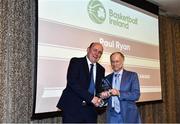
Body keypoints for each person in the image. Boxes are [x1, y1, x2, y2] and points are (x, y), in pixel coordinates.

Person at [56, 42, 105, 123]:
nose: (97, 54)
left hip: (91, 111)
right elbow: (72, 83)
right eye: (95, 50)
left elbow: (99, 89)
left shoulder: (101, 69)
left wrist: (101, 97)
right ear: (88, 50)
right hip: (73, 109)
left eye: (100, 52)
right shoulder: (76, 62)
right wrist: (91, 98)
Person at [100, 52, 141, 123]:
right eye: (112, 62)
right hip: (112, 115)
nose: (114, 64)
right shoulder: (107, 78)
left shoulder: (132, 76)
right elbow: (106, 98)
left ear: (122, 61)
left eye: (117, 61)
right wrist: (102, 99)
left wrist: (119, 93)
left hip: (128, 114)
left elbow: (136, 95)